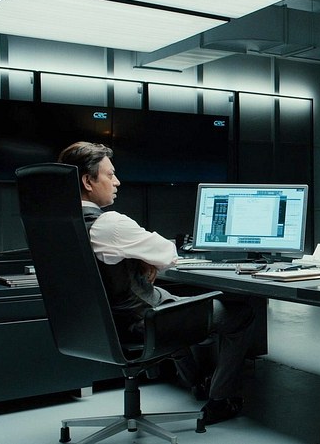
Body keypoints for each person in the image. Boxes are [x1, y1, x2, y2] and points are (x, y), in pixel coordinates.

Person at [57, 141, 255, 424]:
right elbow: (168, 253)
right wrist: (143, 257)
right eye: (110, 174)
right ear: (88, 181)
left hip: (100, 326)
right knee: (241, 314)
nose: (117, 181)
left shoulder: (61, 225)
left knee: (174, 302)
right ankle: (220, 399)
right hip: (141, 322)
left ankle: (198, 383)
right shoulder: (110, 225)